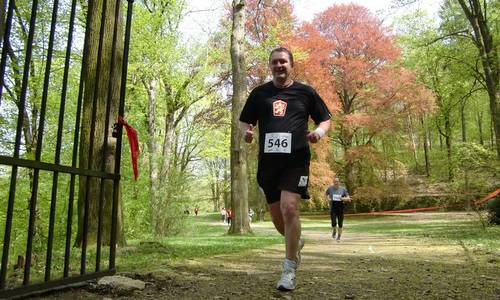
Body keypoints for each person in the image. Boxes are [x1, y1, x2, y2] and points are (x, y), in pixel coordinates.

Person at [240, 47, 331, 291]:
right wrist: (246, 132)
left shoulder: (305, 92)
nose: (279, 66)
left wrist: (318, 133)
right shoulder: (259, 94)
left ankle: (289, 269)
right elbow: (244, 120)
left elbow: (325, 118)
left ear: (291, 65)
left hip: (296, 160)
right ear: (269, 66)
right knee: (278, 219)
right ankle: (296, 242)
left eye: (283, 62)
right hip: (268, 164)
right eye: (274, 62)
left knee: (289, 208)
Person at [325, 177, 351, 241]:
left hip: (340, 207)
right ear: (333, 182)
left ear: (339, 182)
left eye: (337, 181)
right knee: (333, 223)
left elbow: (348, 198)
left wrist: (342, 198)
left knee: (340, 223)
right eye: (335, 181)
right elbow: (326, 194)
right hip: (333, 207)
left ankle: (339, 236)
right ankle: (334, 231)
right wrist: (328, 199)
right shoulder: (330, 188)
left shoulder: (343, 189)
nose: (336, 183)